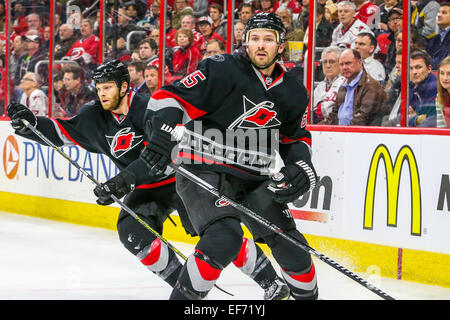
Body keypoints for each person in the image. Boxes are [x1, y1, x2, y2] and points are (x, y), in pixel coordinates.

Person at [6, 59, 289, 301]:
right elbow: (59, 131)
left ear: (125, 87)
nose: (102, 94)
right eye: (99, 88)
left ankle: (270, 281)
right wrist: (29, 124)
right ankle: (185, 284)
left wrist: (122, 182)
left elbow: (158, 157)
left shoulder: (150, 109)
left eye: (108, 88)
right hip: (145, 188)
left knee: (220, 232)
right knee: (131, 232)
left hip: (182, 179)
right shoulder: (94, 117)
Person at [140, 12, 319, 300]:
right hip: (204, 169)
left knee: (293, 248)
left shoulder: (294, 91)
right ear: (245, 42)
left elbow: (295, 138)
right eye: (255, 39)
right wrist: (161, 130)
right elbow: (168, 97)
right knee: (224, 238)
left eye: (268, 40)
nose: (261, 45)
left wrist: (302, 166)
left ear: (281, 45)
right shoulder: (220, 69)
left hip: (254, 176)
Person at [320, 48, 387, 125]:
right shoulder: (343, 86)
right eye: (341, 64)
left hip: (358, 135)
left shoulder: (371, 87)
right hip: (342, 133)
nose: (344, 67)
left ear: (360, 62)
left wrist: (342, 132)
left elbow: (362, 118)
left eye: (348, 63)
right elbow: (333, 116)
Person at [313, 46, 346, 123]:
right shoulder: (320, 87)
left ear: (340, 63)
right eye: (324, 62)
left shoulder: (345, 84)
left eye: (331, 62)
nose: (327, 65)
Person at [408, 50, 438, 127]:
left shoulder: (434, 88)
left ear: (429, 69)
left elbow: (429, 122)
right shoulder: (411, 85)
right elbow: (399, 116)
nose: (414, 72)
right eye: (411, 68)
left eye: (418, 67)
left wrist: (414, 119)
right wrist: (416, 118)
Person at [426, 2, 450, 70]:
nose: (439, 15)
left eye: (444, 13)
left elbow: (445, 60)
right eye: (439, 12)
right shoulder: (435, 38)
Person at [436, 55, 450, 127]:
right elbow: (441, 127)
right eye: (442, 73)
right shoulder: (439, 96)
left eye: (449, 74)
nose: (445, 78)